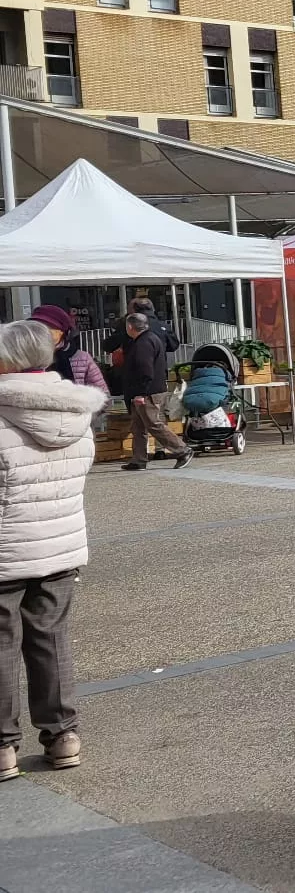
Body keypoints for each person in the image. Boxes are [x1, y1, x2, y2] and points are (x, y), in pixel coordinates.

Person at [0, 319, 106, 781]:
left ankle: (3, 746)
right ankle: (63, 734)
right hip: (60, 543)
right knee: (51, 639)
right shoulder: (75, 414)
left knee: (1, 646)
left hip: (5, 548)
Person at [115, 313, 190, 472]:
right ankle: (139, 459)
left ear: (130, 327)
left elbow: (145, 370)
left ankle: (182, 450)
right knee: (138, 427)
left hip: (147, 392)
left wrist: (141, 392)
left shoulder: (143, 343)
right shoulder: (150, 338)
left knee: (153, 424)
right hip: (148, 390)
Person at [27, 306, 107, 394]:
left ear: (64, 332)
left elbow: (102, 395)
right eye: (36, 329)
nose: (42, 333)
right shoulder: (24, 358)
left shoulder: (82, 358)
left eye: (49, 328)